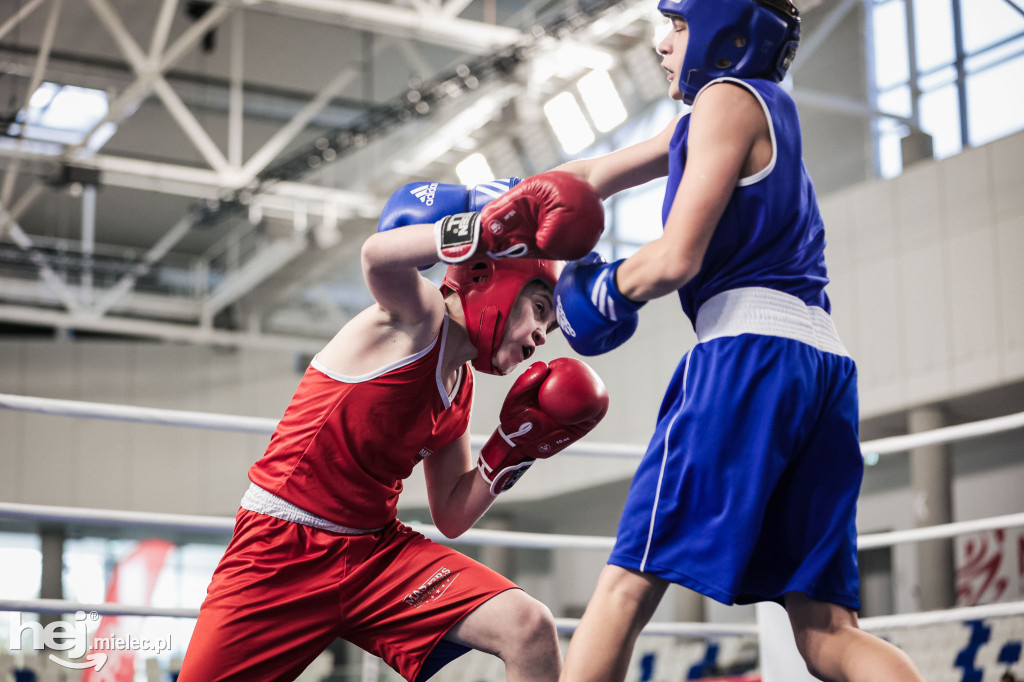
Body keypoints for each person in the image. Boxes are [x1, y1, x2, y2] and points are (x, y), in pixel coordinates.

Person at [552, 1, 926, 680]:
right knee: (826, 632)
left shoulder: (724, 99)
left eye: (678, 25)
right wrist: (505, 205)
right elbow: (594, 174)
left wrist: (597, 291)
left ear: (724, 28)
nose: (663, 44)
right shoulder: (752, 108)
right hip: (821, 361)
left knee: (625, 586)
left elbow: (675, 259)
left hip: (748, 355)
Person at [179, 171, 610, 682]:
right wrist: (483, 230)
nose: (542, 335)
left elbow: (451, 512)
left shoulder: (460, 389)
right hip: (280, 550)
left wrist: (514, 450)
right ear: (487, 276)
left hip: (374, 557)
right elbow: (377, 256)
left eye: (550, 327)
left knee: (529, 627)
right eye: (540, 310)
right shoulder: (417, 317)